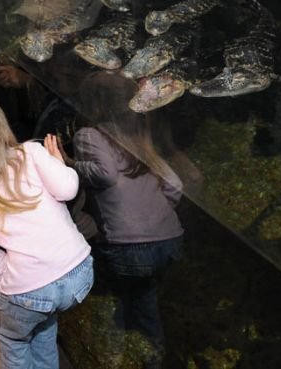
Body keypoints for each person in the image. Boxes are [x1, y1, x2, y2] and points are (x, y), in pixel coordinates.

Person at [0, 96, 93, 369]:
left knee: (14, 339)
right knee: (44, 325)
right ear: (1, 128)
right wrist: (59, 163)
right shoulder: (31, 153)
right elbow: (68, 190)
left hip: (29, 290)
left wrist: (5, 271)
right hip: (80, 272)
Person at [68, 71, 184, 367]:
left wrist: (69, 165)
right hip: (169, 239)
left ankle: (113, 356)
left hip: (128, 246)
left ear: (91, 105)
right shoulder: (139, 136)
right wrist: (157, 214)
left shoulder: (89, 135)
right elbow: (175, 185)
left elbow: (105, 174)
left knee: (112, 300)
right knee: (145, 300)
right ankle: (152, 358)